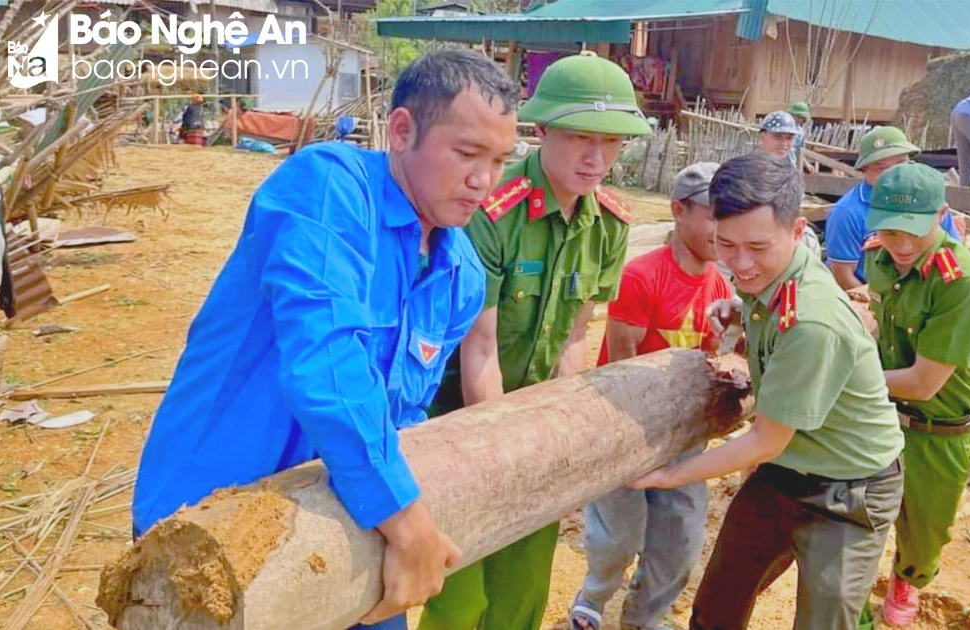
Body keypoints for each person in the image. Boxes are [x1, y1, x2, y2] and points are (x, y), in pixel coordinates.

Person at [131, 50, 521, 630]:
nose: (483, 180)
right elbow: (326, 364)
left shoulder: (460, 274)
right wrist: (409, 523)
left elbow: (402, 418)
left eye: (498, 160)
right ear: (401, 130)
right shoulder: (328, 189)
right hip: (213, 521)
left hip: (343, 531)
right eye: (466, 153)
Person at [418, 52, 651, 630]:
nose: (596, 158)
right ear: (541, 130)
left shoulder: (611, 225)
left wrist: (554, 442)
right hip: (461, 426)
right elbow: (481, 350)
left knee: (521, 594)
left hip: (535, 428)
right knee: (460, 597)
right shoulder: (492, 213)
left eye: (612, 142)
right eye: (579, 138)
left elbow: (576, 337)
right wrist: (508, 457)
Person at [631, 153, 905, 630]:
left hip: (849, 490)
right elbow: (767, 305)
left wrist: (672, 474)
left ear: (798, 232)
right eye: (726, 244)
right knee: (718, 606)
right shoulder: (773, 277)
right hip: (786, 470)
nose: (740, 263)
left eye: (757, 247)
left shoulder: (813, 321)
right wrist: (739, 311)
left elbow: (766, 439)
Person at [570, 163, 733, 630]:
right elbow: (624, 364)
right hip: (628, 428)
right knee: (618, 536)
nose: (720, 229)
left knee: (680, 541)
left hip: (684, 437)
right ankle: (595, 595)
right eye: (711, 215)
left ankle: (642, 618)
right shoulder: (642, 277)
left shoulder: (719, 285)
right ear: (678, 211)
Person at [860, 163, 970, 627]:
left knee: (924, 532)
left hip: (939, 430)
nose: (901, 245)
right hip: (880, 417)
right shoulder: (878, 258)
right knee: (855, 520)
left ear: (942, 215)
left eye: (913, 231)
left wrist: (844, 375)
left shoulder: (961, 282)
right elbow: (878, 313)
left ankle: (906, 579)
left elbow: (923, 383)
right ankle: (852, 601)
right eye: (890, 230)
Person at [824, 126, 962, 291]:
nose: (893, 174)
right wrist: (877, 307)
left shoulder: (928, 201)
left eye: (900, 164)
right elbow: (843, 275)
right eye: (881, 168)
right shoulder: (847, 212)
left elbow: (954, 253)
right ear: (864, 171)